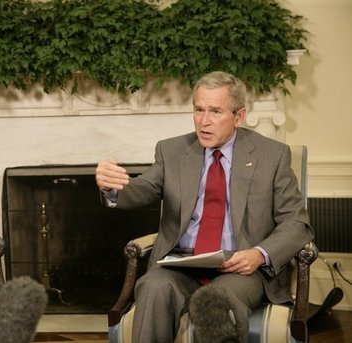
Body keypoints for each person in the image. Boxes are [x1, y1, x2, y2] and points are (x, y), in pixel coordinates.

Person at [95, 71, 313, 342]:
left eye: (215, 111)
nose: (204, 121)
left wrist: (258, 254)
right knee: (152, 286)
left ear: (239, 116)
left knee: (217, 299)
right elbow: (143, 190)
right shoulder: (172, 150)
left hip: (239, 269)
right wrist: (112, 187)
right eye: (199, 110)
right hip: (180, 264)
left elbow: (296, 223)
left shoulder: (272, 155)